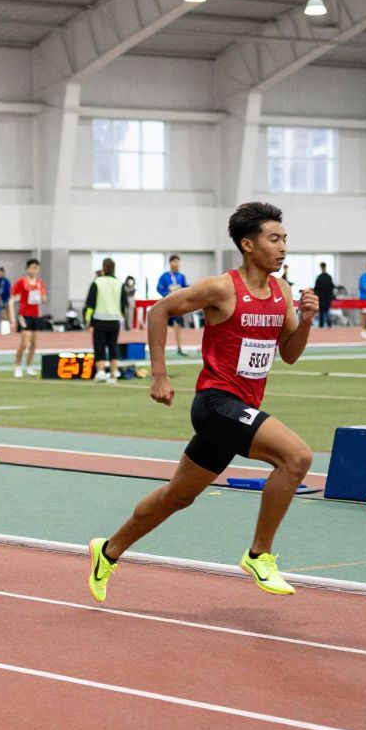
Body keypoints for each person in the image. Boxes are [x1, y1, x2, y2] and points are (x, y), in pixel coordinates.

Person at [88, 202, 317, 602]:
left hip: (239, 409)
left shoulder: (282, 292)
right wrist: (159, 374)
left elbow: (290, 353)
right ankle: (259, 555)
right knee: (296, 457)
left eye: (285, 240)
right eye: (274, 239)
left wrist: (308, 319)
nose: (283, 248)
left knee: (178, 495)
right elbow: (160, 310)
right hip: (216, 403)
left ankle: (107, 551)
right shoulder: (222, 288)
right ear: (248, 245)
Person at [84, 259, 127, 383]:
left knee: (99, 346)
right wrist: (122, 318)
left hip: (99, 319)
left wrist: (88, 322)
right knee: (113, 347)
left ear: (103, 268)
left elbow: (90, 304)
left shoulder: (97, 282)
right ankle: (114, 374)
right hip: (115, 320)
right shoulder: (119, 283)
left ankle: (101, 372)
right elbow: (124, 304)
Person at [9, 258, 46, 378]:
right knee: (25, 343)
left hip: (35, 316)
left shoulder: (40, 283)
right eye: (32, 267)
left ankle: (29, 367)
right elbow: (12, 301)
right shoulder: (21, 282)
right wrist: (12, 320)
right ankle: (18, 367)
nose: (35, 270)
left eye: (37, 268)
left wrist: (40, 296)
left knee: (34, 344)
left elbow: (43, 298)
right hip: (24, 315)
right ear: (27, 269)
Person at [157, 255, 189, 356]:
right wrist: (167, 293)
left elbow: (186, 288)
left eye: (178, 263)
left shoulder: (181, 276)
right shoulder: (164, 276)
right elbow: (159, 288)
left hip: (178, 305)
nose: (177, 265)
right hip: (166, 305)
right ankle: (161, 349)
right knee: (163, 327)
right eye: (175, 262)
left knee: (178, 326)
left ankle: (179, 347)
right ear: (170, 263)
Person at [314, 262, 335, 328]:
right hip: (327, 297)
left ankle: (321, 325)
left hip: (321, 298)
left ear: (321, 267)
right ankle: (329, 325)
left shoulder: (319, 277)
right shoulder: (329, 277)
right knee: (327, 311)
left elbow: (316, 289)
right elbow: (331, 287)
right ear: (325, 267)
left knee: (321, 312)